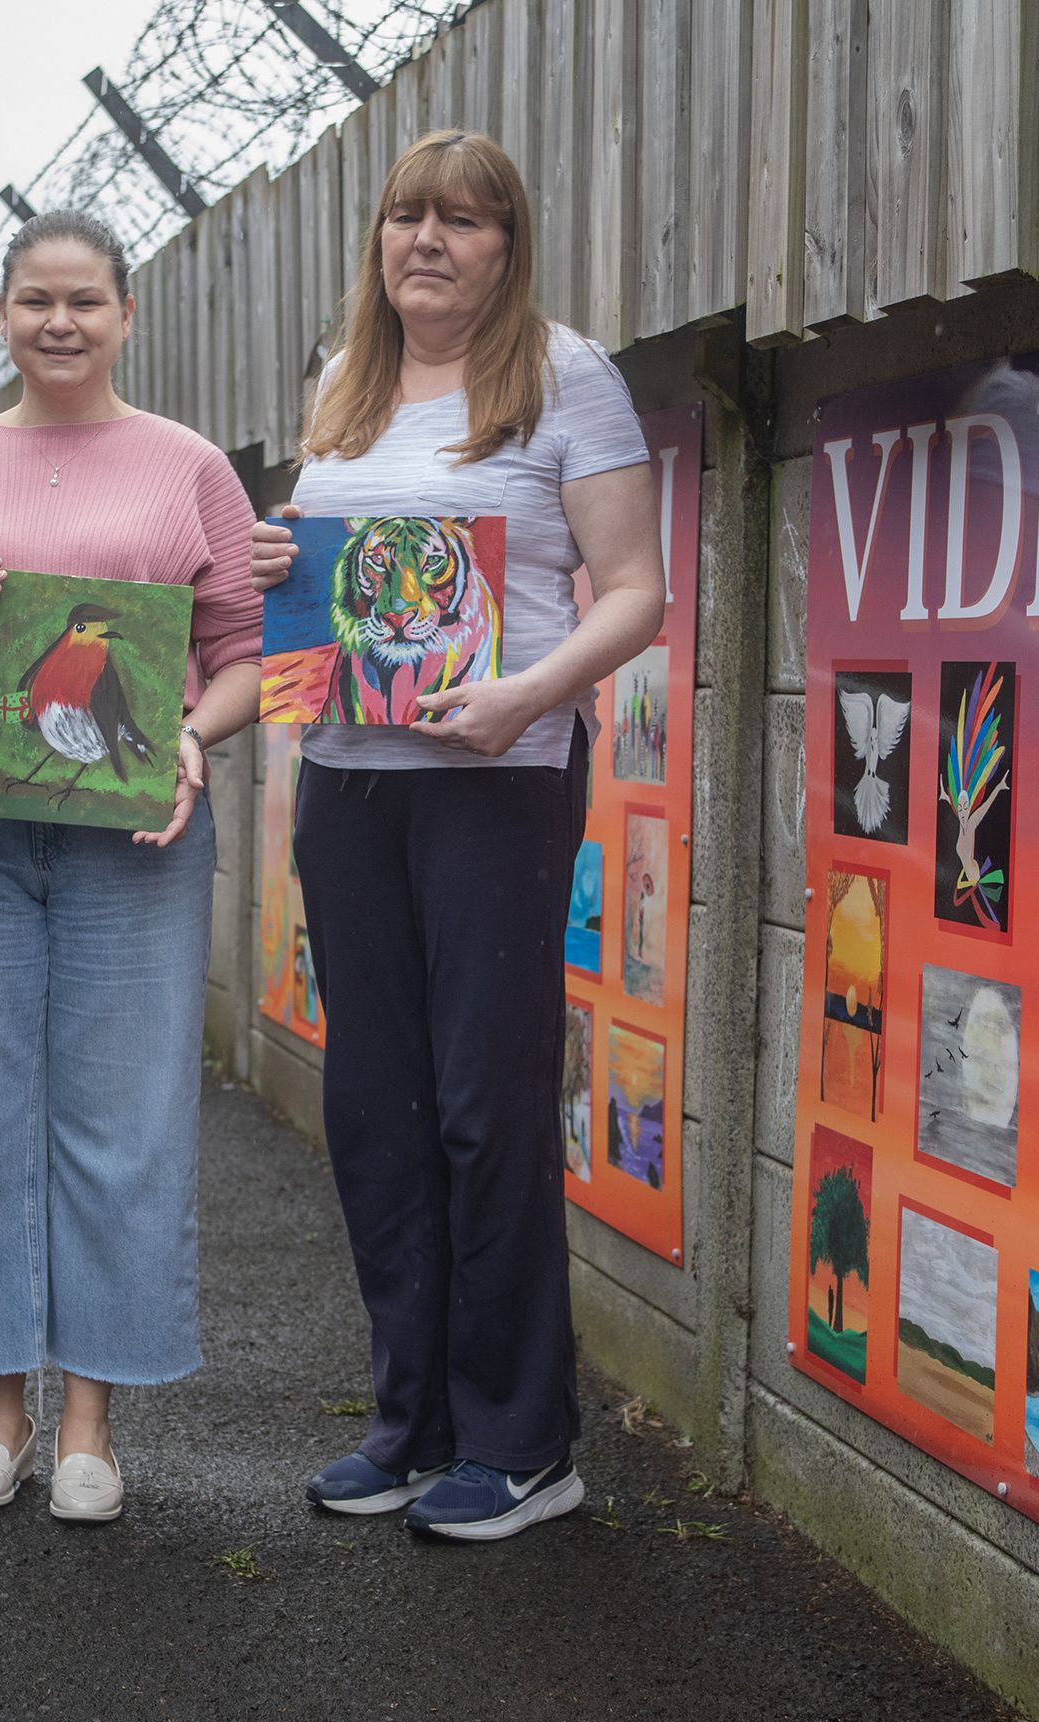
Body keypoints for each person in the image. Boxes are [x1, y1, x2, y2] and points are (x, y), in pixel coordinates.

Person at [250, 129, 665, 1542]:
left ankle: (522, 1441)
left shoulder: (565, 375)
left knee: (486, 1109)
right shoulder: (343, 386)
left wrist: (533, 695)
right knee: (376, 1109)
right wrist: (272, 552)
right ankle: (410, 1423)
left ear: (508, 243)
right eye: (406, 217)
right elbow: (324, 571)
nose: (428, 240)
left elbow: (634, 592)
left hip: (496, 779)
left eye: (464, 221)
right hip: (347, 776)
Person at [0, 210, 262, 1522]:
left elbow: (249, 653)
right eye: (36, 300)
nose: (60, 323)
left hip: (137, 838)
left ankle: (92, 1424)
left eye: (85, 302)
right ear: (3, 312)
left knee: (126, 1116)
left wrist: (194, 744)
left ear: (125, 314)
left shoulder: (189, 468)